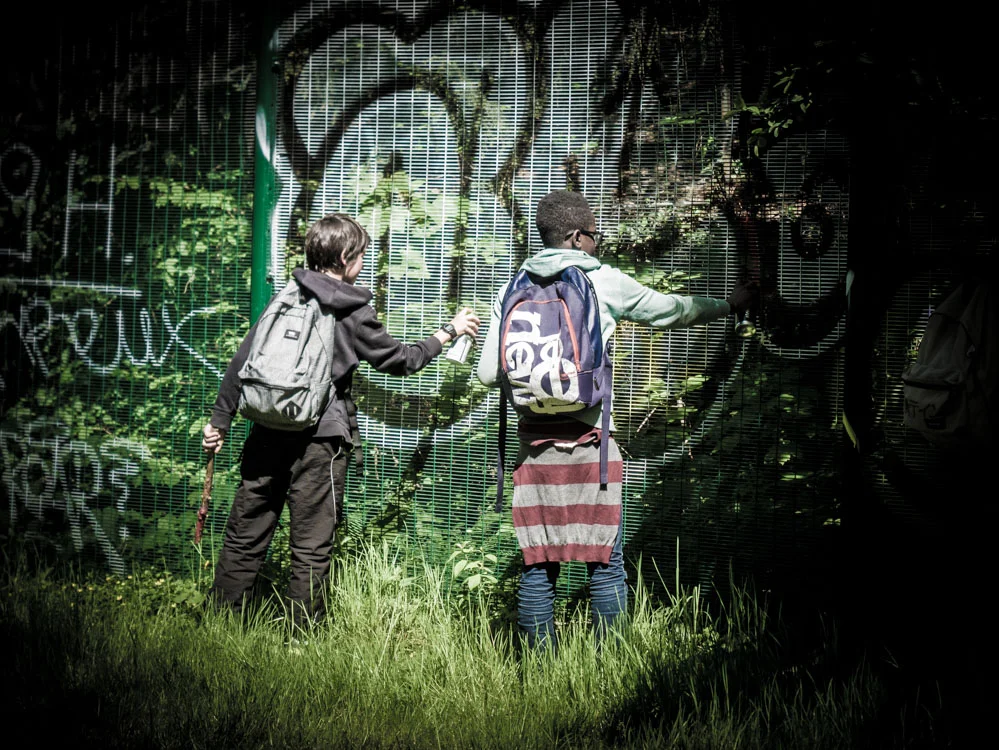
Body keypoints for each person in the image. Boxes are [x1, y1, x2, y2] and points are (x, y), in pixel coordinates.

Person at [476, 189, 755, 649]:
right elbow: (669, 311)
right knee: (604, 564)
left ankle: (535, 676)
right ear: (576, 236)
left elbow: (488, 374)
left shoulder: (512, 286)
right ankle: (609, 667)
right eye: (594, 236)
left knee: (538, 565)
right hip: (592, 447)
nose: (598, 244)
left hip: (534, 453)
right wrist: (729, 304)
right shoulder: (601, 280)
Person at [202, 212, 480, 626]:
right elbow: (401, 360)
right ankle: (302, 638)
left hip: (267, 431)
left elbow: (242, 360)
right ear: (347, 257)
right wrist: (448, 332)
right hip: (321, 440)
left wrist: (219, 422)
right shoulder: (352, 310)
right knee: (312, 545)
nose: (364, 263)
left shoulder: (286, 296)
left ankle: (218, 625)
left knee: (245, 535)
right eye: (362, 255)